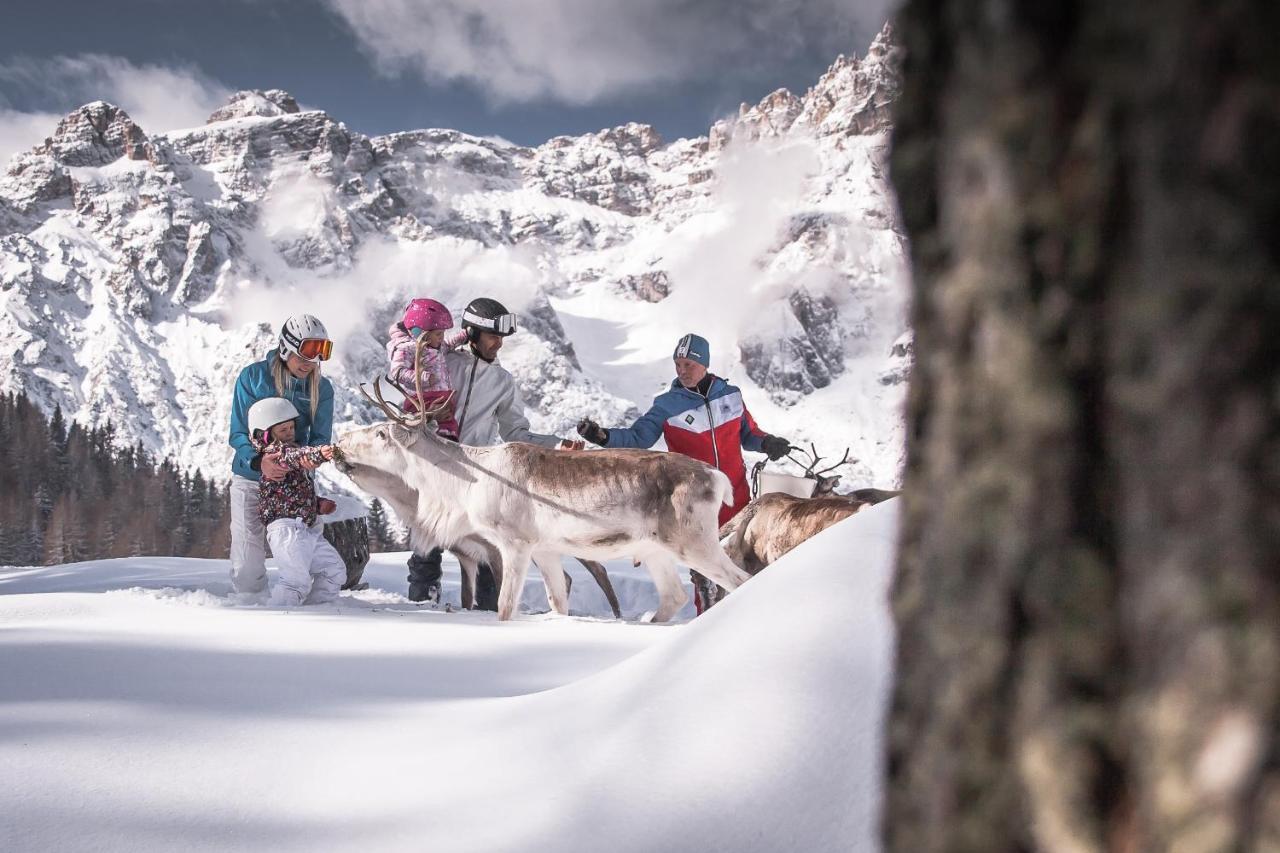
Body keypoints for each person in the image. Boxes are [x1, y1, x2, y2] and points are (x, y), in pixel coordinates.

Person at [576, 333, 792, 613]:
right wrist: (603, 436)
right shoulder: (667, 405)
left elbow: (748, 434)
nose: (682, 370)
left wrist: (767, 442)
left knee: (746, 563)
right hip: (694, 504)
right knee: (705, 569)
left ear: (704, 364)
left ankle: (750, 621)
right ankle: (706, 626)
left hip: (737, 500)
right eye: (678, 364)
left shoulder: (731, 396)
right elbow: (638, 438)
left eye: (688, 364)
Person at [404, 296, 578, 607]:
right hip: (434, 472)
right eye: (493, 336)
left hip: (475, 481)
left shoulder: (502, 382)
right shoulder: (442, 364)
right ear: (471, 333)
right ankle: (420, 614)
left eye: (501, 338)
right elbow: (412, 403)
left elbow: (516, 434)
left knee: (486, 557)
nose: (498, 344)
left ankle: (486, 620)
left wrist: (556, 445)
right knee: (425, 556)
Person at [227, 314, 335, 597]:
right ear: (288, 347)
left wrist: (314, 457)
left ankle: (315, 617)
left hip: (293, 487)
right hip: (251, 479)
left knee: (308, 560)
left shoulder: (321, 389)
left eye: (319, 354)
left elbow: (320, 438)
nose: (311, 362)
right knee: (247, 568)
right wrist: (259, 462)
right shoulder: (253, 377)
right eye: (307, 352)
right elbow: (238, 432)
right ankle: (251, 616)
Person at [246, 397, 345, 606]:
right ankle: (280, 621)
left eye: (291, 427)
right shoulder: (275, 455)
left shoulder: (289, 452)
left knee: (333, 571)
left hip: (305, 529)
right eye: (282, 430)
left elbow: (292, 493)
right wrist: (318, 453)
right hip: (286, 530)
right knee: (295, 582)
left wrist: (317, 504)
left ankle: (317, 612)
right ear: (265, 435)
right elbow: (293, 456)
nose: (290, 432)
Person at [385, 298, 467, 439]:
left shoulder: (436, 346)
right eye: (438, 334)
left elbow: (448, 344)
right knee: (432, 436)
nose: (442, 338)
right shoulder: (407, 349)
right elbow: (398, 372)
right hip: (422, 401)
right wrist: (423, 377)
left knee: (449, 433)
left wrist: (463, 336)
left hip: (442, 398)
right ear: (420, 332)